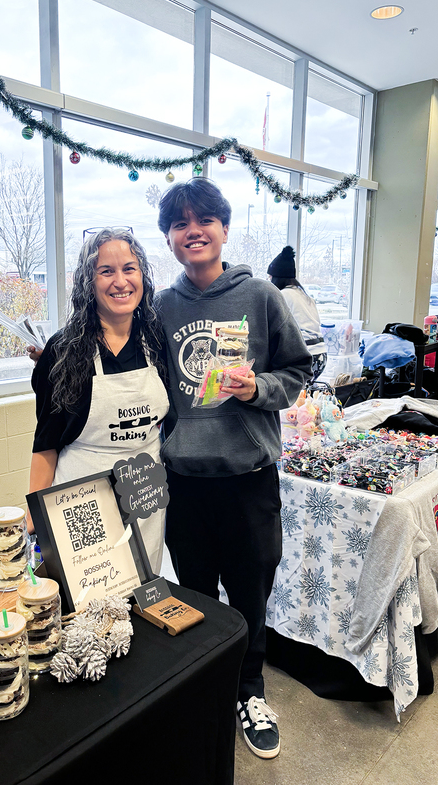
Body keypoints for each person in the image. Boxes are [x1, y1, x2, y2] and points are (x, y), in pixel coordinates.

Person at [155, 178, 312, 760]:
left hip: (248, 479)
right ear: (169, 238)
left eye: (204, 220)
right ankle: (205, 688)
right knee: (194, 595)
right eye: (179, 223)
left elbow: (297, 371)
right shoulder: (161, 307)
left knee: (250, 593)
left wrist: (257, 388)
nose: (192, 231)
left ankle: (250, 692)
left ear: (223, 229)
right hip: (184, 481)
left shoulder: (262, 296)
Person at [29, 228, 169, 574]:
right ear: (88, 283)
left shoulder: (157, 340)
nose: (120, 282)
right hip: (82, 501)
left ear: (142, 275)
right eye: (106, 271)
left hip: (144, 494)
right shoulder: (64, 351)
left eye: (129, 268)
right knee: (92, 596)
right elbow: (46, 443)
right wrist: (35, 521)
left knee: (142, 589)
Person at [267, 245, 328, 383]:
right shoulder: (303, 294)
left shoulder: (283, 295)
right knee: (304, 394)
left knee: (289, 393)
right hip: (320, 354)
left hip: (305, 354)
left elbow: (274, 327)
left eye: (271, 277)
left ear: (277, 278)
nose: (270, 281)